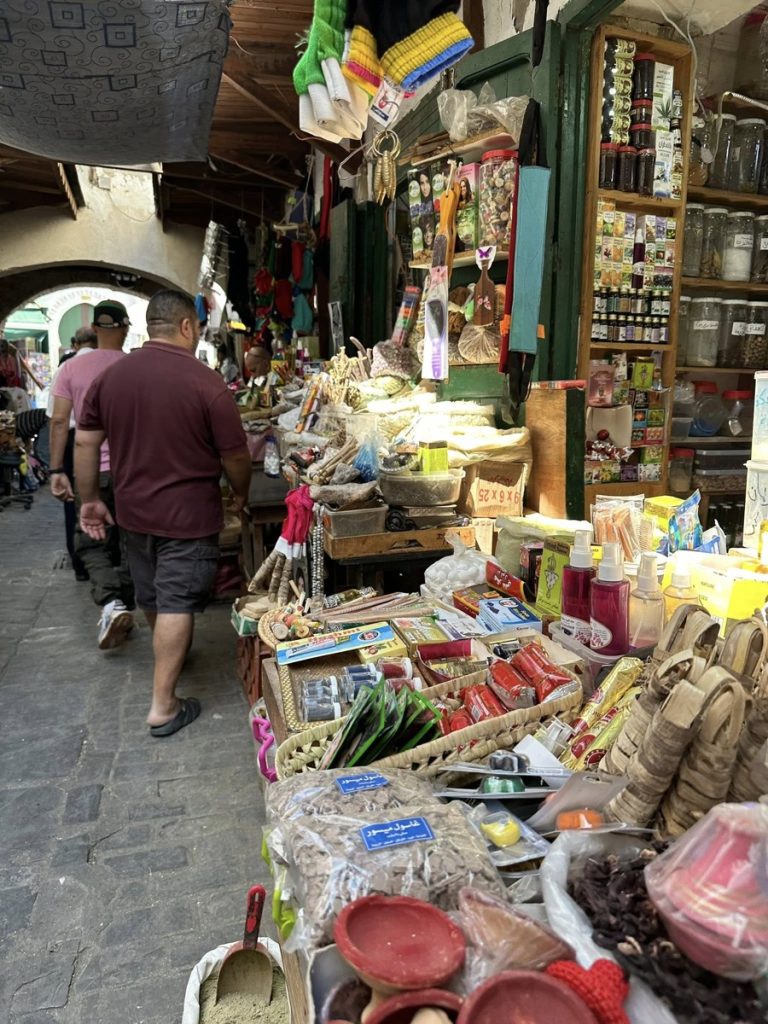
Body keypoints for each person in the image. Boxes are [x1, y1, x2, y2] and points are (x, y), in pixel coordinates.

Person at [76, 289, 251, 738]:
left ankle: (171, 654)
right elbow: (235, 457)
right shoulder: (206, 382)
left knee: (154, 595)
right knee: (175, 601)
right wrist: (240, 493)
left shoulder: (111, 378)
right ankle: (163, 705)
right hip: (187, 517)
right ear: (187, 326)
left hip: (133, 512)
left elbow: (85, 441)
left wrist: (89, 499)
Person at [49, 301, 135, 643]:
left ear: (95, 330)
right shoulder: (134, 367)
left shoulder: (70, 368)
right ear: (125, 329)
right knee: (133, 539)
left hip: (91, 470)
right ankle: (128, 599)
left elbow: (59, 421)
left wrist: (57, 468)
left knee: (90, 540)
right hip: (133, 469)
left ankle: (112, 602)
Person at [48, 327, 98, 580]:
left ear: (75, 344)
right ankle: (107, 559)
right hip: (102, 439)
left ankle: (80, 563)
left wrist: (55, 467)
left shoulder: (65, 369)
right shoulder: (108, 365)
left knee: (72, 499)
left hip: (71, 440)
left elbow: (57, 419)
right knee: (104, 493)